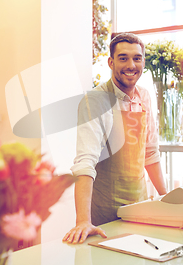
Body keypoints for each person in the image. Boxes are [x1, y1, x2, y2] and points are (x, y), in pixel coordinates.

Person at [63, 33, 167, 244]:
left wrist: (168, 199)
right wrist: (83, 220)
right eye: (123, 58)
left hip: (140, 211)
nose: (131, 65)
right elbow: (85, 163)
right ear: (110, 62)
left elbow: (150, 153)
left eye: (137, 58)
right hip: (106, 219)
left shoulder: (145, 96)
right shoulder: (94, 100)